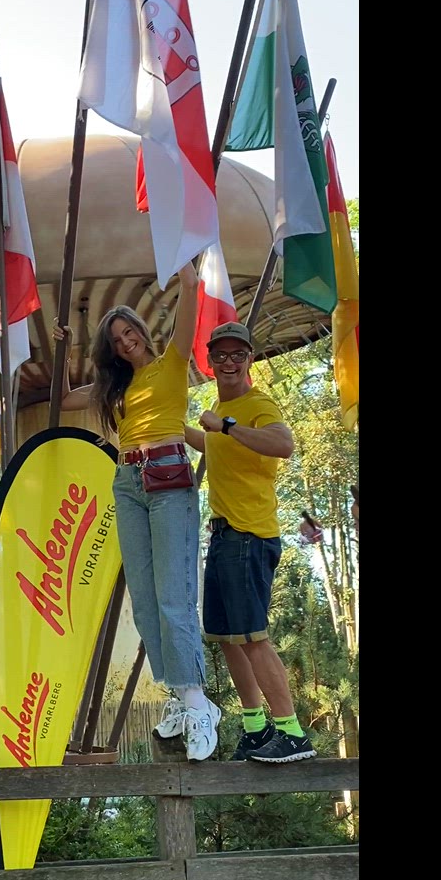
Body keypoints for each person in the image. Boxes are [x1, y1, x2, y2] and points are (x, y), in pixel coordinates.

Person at [53, 261, 221, 760]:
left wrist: (183, 248)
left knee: (174, 596)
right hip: (126, 482)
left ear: (143, 332)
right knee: (144, 602)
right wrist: (67, 351)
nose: (125, 342)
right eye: (116, 339)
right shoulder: (115, 388)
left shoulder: (170, 362)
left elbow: (191, 287)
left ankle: (198, 703)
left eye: (129, 333)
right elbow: (63, 400)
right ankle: (179, 694)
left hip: (169, 478)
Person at [184, 322, 315, 764]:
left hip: (249, 537)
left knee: (253, 638)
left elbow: (283, 444)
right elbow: (216, 447)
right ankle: (256, 727)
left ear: (249, 359)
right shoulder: (220, 415)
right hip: (222, 535)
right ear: (210, 361)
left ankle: (293, 734)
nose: (228, 362)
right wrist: (182, 430)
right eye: (220, 355)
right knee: (227, 638)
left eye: (237, 354)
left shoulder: (256, 405)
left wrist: (228, 424)